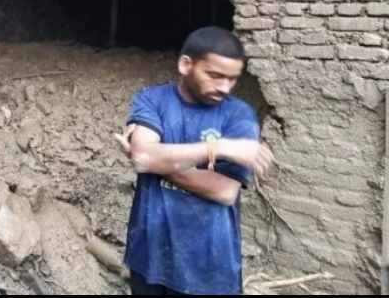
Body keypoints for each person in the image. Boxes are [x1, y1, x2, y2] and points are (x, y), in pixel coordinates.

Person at [113, 26, 275, 295]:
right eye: (214, 75)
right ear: (186, 64)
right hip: (148, 256)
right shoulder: (153, 99)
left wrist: (155, 161)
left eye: (232, 79)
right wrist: (219, 147)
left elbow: (223, 191)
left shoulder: (239, 115)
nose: (224, 87)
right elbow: (144, 158)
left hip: (208, 269)